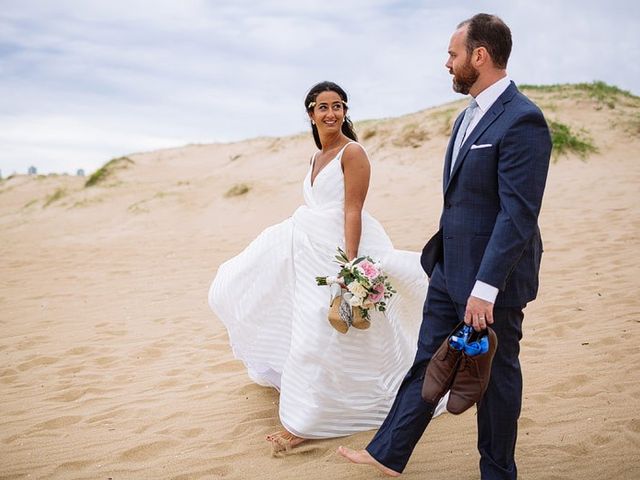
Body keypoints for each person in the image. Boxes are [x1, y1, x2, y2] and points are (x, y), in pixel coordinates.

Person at [338, 13, 552, 478]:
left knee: (494, 377)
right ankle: (388, 453)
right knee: (426, 362)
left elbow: (517, 215)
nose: (447, 63)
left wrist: (487, 288)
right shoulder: (465, 119)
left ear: (480, 55)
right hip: (447, 269)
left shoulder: (523, 120)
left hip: (492, 282)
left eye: (453, 54)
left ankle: (497, 471)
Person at [208, 81, 444, 452]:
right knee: (246, 292)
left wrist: (351, 267)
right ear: (311, 114)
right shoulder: (316, 157)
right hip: (308, 251)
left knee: (321, 330)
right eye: (323, 107)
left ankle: (305, 422)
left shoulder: (354, 153)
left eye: (338, 106)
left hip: (340, 252)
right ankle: (328, 400)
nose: (331, 113)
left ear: (346, 112)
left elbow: (353, 209)